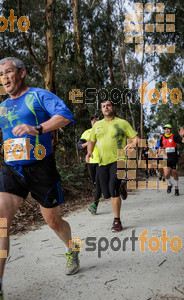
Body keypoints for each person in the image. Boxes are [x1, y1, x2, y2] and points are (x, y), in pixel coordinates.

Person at [0, 57, 80, 299]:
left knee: (54, 222)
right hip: (12, 169)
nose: (4, 78)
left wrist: (37, 129)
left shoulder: (38, 95)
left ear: (22, 73)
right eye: (1, 74)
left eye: (9, 72)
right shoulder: (2, 106)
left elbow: (65, 116)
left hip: (41, 167)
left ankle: (72, 248)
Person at [86, 100, 139, 232]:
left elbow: (136, 138)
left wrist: (133, 144)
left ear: (113, 107)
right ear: (101, 110)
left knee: (112, 188)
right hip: (103, 162)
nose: (106, 108)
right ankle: (121, 186)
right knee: (106, 193)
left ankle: (117, 220)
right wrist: (89, 152)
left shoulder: (122, 123)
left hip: (119, 159)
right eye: (103, 106)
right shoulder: (97, 125)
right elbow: (91, 141)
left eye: (108, 105)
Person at [77, 115, 102, 214]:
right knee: (96, 184)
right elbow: (79, 145)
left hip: (103, 161)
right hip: (91, 162)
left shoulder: (104, 131)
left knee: (99, 182)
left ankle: (95, 205)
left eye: (96, 120)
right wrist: (86, 144)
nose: (94, 121)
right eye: (92, 120)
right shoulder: (87, 133)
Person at [159, 124, 184, 196]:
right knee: (166, 174)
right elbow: (161, 146)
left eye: (168, 129)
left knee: (175, 173)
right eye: (165, 129)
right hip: (165, 158)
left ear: (171, 130)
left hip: (174, 159)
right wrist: (158, 153)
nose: (167, 130)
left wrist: (182, 136)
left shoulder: (174, 136)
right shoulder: (162, 137)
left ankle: (176, 188)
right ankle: (169, 184)